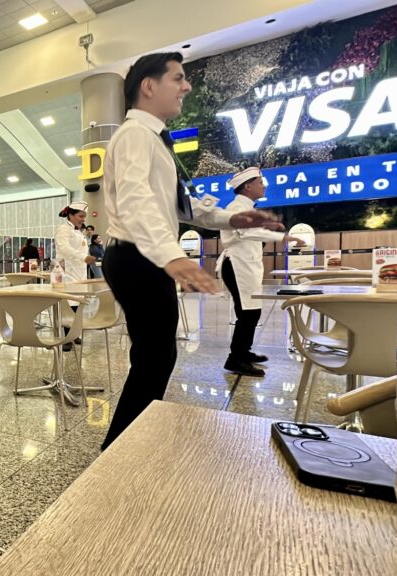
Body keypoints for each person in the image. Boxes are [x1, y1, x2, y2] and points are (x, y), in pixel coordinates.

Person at [100, 52, 283, 450]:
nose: (186, 87)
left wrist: (232, 220)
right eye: (178, 78)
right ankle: (120, 450)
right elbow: (135, 201)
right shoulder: (134, 135)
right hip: (137, 257)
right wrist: (172, 256)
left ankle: (127, 444)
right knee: (154, 358)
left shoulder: (154, 140)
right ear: (149, 86)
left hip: (141, 256)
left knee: (156, 357)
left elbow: (180, 206)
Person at [219, 167, 304, 377]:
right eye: (260, 182)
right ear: (247, 186)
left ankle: (243, 352)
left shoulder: (246, 207)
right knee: (247, 312)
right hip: (237, 266)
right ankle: (235, 359)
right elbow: (247, 231)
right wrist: (282, 237)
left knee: (251, 311)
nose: (264, 185)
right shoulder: (236, 206)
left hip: (245, 266)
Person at [54, 201, 96, 350]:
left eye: (84, 216)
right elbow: (64, 248)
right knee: (68, 305)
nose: (83, 219)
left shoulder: (78, 232)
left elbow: (82, 250)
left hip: (80, 273)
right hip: (67, 273)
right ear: (71, 215)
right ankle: (66, 338)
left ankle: (74, 334)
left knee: (77, 305)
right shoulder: (63, 229)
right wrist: (83, 258)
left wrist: (86, 258)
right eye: (80, 216)